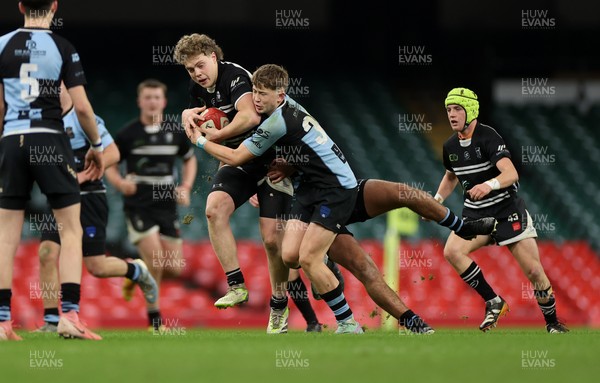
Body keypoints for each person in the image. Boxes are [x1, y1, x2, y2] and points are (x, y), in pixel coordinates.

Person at [187, 64, 370, 334]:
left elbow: (240, 149)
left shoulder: (274, 119)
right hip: (279, 172)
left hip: (311, 183)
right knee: (221, 215)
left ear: (280, 96)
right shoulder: (277, 107)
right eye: (255, 92)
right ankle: (239, 286)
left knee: (281, 247)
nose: (257, 99)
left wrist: (202, 140)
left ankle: (311, 310)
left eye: (262, 93)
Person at [174, 34, 326, 334]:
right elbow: (210, 123)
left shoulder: (236, 77)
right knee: (213, 210)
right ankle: (236, 285)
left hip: (273, 164)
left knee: (274, 243)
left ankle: (282, 305)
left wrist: (210, 137)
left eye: (200, 65)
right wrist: (187, 115)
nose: (197, 74)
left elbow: (249, 118)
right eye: (190, 69)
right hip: (239, 163)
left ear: (213, 56)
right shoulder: (198, 88)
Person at [250, 177, 496, 333]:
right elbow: (240, 164)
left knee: (403, 191)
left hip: (343, 190)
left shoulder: (291, 123)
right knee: (363, 267)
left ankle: (462, 227)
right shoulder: (262, 133)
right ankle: (413, 323)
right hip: (314, 210)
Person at [0, 0, 104, 341]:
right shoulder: (62, 47)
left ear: (20, 6)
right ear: (54, 6)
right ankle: (69, 317)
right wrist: (97, 146)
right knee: (70, 230)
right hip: (49, 140)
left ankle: (2, 322)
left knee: (5, 234)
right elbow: (84, 109)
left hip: (12, 139)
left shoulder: (2, 44)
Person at [434, 87, 568, 333]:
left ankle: (552, 324)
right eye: (448, 110)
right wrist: (437, 200)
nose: (451, 114)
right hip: (476, 214)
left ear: (470, 110)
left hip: (507, 211)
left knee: (535, 271)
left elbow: (511, 173)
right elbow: (450, 176)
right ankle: (494, 301)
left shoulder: (488, 137)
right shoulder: (450, 146)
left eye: (457, 109)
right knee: (452, 251)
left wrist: (488, 185)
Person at [34, 84, 158, 332]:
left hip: (89, 197)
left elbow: (113, 152)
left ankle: (137, 270)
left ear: (67, 89)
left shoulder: (83, 118)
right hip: (58, 198)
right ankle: (49, 320)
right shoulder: (40, 120)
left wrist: (88, 170)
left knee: (96, 267)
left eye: (56, 85)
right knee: (47, 253)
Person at [105, 79, 197, 330]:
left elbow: (189, 160)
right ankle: (155, 322)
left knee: (175, 268)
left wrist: (186, 187)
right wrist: (119, 183)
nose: (152, 102)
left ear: (164, 101)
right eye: (147, 97)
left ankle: (136, 272)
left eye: (157, 97)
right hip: (139, 203)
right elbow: (109, 162)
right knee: (156, 262)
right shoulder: (127, 134)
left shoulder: (175, 132)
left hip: (167, 203)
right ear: (139, 101)